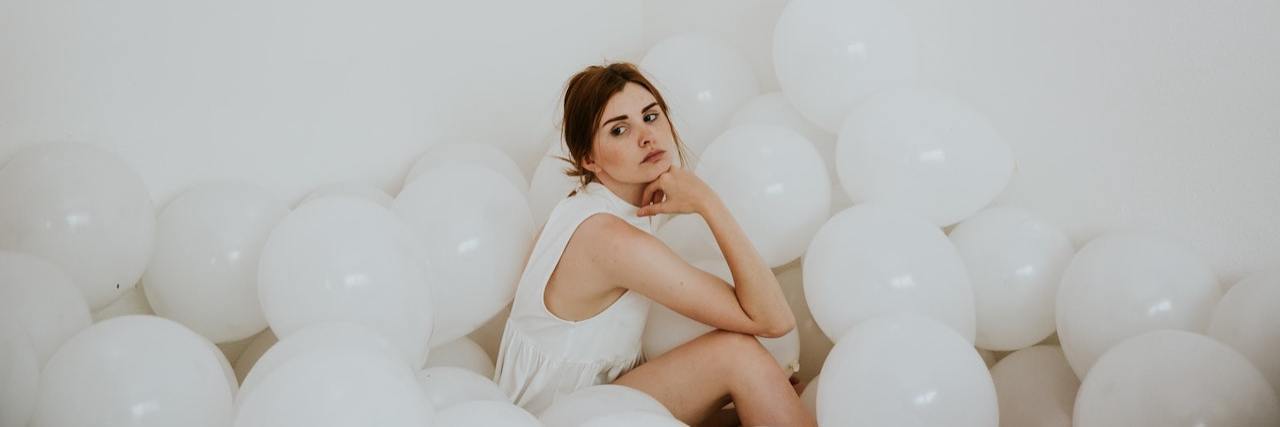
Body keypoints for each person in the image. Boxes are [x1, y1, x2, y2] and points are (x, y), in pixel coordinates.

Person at [494, 62, 815, 427]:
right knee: (739, 356)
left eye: (650, 117)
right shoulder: (609, 238)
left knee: (767, 393)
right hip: (555, 419)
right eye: (619, 130)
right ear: (589, 159)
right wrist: (708, 203)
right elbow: (774, 320)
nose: (646, 137)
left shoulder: (587, 207)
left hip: (584, 405)